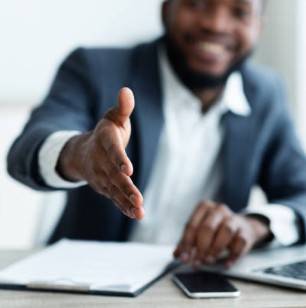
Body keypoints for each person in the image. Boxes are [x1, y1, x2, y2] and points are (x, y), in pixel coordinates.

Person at [7, 0, 306, 267]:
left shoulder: (266, 94)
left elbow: (301, 192)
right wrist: (80, 154)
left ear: (258, 26)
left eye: (239, 11)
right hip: (88, 287)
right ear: (166, 9)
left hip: (203, 286)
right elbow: (26, 150)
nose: (216, 24)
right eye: (198, 4)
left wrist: (255, 225)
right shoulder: (95, 68)